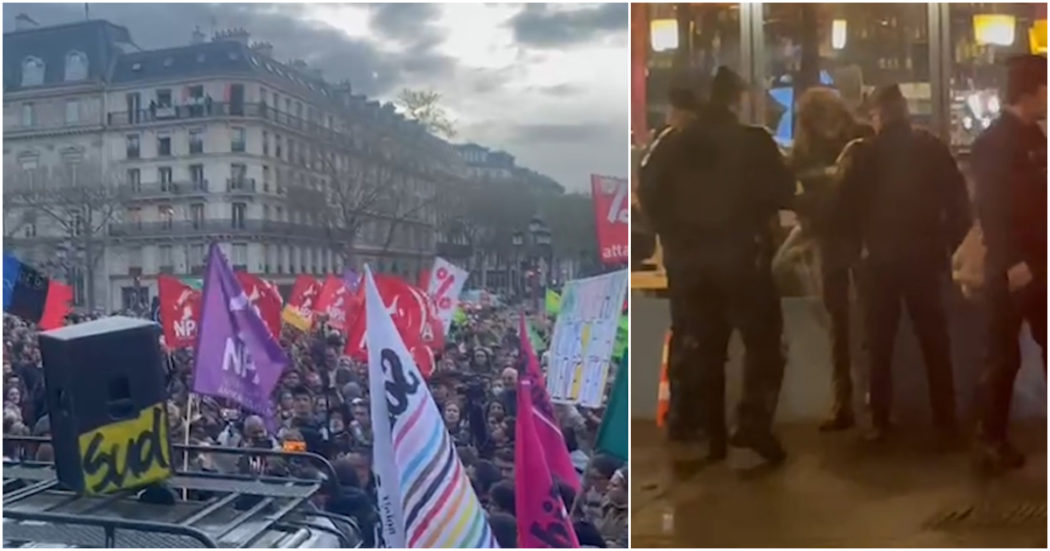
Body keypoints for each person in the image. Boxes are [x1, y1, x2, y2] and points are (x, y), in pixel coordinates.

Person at [639, 66, 795, 463]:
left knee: (705, 346)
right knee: (764, 341)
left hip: (690, 262)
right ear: (734, 99)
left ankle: (711, 434)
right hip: (743, 256)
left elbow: (648, 192)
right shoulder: (754, 142)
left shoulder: (671, 145)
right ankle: (752, 420)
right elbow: (783, 190)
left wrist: (675, 237)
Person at [836, 84, 971, 443]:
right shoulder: (930, 147)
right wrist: (949, 244)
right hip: (925, 257)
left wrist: (855, 250)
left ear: (879, 114)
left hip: (878, 261)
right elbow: (959, 202)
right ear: (906, 111)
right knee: (934, 341)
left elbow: (843, 207)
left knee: (879, 343)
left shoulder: (865, 154)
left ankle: (879, 420)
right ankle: (945, 419)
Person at [971, 54, 1047, 472]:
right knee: (1003, 357)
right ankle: (990, 439)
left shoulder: (1035, 137)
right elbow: (992, 208)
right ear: (1030, 91)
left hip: (1042, 264)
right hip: (1013, 270)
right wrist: (1012, 262)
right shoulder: (995, 142)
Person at [788, 87, 874, 430]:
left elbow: (795, 188)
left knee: (854, 324)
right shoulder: (858, 137)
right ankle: (852, 402)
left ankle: (860, 401)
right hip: (841, 237)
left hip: (843, 237)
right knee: (850, 324)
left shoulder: (847, 141)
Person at [636, 86, 702, 443]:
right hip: (715, 250)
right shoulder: (715, 142)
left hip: (683, 253)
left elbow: (648, 190)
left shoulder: (665, 146)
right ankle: (703, 414)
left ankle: (684, 416)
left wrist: (665, 230)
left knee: (688, 331)